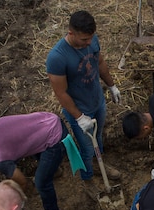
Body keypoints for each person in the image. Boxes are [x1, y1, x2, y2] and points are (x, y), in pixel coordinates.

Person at [46, 10, 121, 198]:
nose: (89, 43)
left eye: (91, 38)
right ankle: (88, 179)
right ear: (71, 33)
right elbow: (60, 92)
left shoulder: (92, 40)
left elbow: (100, 62)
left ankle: (99, 164)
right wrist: (79, 117)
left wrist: (111, 86)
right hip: (79, 110)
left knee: (99, 139)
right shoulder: (57, 57)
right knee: (87, 147)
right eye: (84, 40)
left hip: (97, 101)